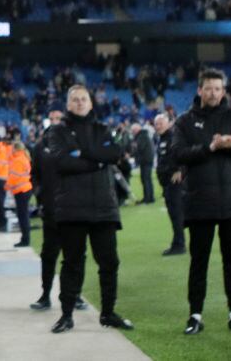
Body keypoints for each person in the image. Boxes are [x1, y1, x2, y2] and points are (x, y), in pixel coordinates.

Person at [172, 68, 231, 335]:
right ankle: (195, 315)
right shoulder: (185, 121)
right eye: (208, 88)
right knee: (198, 262)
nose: (213, 93)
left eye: (217, 88)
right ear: (199, 90)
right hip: (200, 203)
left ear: (224, 91)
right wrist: (208, 148)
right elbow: (178, 153)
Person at [46, 85, 133, 333]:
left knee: (109, 263)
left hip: (103, 207)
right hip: (72, 208)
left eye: (84, 99)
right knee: (72, 263)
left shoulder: (102, 128)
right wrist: (97, 160)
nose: (80, 103)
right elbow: (62, 163)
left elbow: (115, 153)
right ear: (68, 104)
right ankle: (66, 315)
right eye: (75, 99)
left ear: (91, 103)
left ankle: (108, 313)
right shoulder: (57, 131)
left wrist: (82, 153)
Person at [29, 117, 86, 312]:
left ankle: (76, 295)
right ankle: (45, 295)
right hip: (51, 211)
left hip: (74, 210)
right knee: (49, 255)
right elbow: (33, 174)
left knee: (76, 256)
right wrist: (39, 193)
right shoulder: (39, 148)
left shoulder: (75, 146)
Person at [154, 113, 185, 256]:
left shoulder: (173, 137)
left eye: (161, 123)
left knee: (176, 214)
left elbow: (182, 153)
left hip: (174, 183)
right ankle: (177, 242)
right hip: (167, 182)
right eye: (156, 124)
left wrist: (180, 169)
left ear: (168, 124)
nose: (158, 126)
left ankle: (179, 245)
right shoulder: (162, 138)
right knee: (174, 214)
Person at [7, 141, 33, 247]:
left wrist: (7, 186)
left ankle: (25, 240)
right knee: (24, 216)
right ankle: (25, 238)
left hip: (21, 191)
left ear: (16, 149)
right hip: (24, 189)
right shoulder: (24, 158)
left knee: (23, 217)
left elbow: (14, 177)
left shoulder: (18, 160)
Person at [132, 122, 155, 204]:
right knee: (147, 179)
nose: (132, 132)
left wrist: (134, 147)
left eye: (133, 130)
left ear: (137, 129)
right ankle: (149, 197)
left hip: (145, 161)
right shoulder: (143, 135)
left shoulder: (142, 136)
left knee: (145, 179)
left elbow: (139, 147)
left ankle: (148, 198)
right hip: (146, 160)